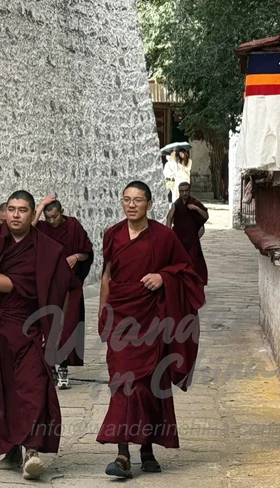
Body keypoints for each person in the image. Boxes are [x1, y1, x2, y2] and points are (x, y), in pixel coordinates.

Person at [98, 180, 205, 479]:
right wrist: (102, 315)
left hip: (151, 323)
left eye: (138, 200)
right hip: (121, 320)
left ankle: (146, 449)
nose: (131, 205)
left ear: (149, 204)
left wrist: (162, 276)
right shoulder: (112, 235)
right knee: (121, 386)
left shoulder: (163, 237)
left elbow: (186, 273)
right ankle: (122, 454)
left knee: (147, 389)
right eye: (126, 199)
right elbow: (107, 276)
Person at [0, 191, 72, 481]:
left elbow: (60, 289)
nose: (16, 214)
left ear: (32, 215)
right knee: (2, 390)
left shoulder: (47, 249)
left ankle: (32, 451)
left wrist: (53, 330)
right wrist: (20, 284)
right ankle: (10, 447)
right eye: (12, 209)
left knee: (33, 387)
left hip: (31, 330)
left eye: (22, 210)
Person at [34, 194, 94, 389]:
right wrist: (41, 205)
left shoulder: (73, 226)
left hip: (69, 286)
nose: (51, 221)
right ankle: (49, 367)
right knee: (47, 328)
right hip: (47, 286)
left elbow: (88, 252)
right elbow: (29, 228)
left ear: (62, 212)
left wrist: (77, 256)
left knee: (68, 327)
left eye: (55, 217)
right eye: (48, 217)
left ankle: (63, 368)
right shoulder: (41, 229)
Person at [166, 182, 209, 285]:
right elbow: (169, 218)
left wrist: (196, 208)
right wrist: (168, 233)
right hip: (179, 239)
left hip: (192, 239)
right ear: (179, 191)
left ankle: (194, 284)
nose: (184, 193)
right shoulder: (176, 204)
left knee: (194, 263)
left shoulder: (195, 202)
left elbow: (206, 216)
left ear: (189, 190)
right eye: (182, 191)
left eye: (186, 190)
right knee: (179, 262)